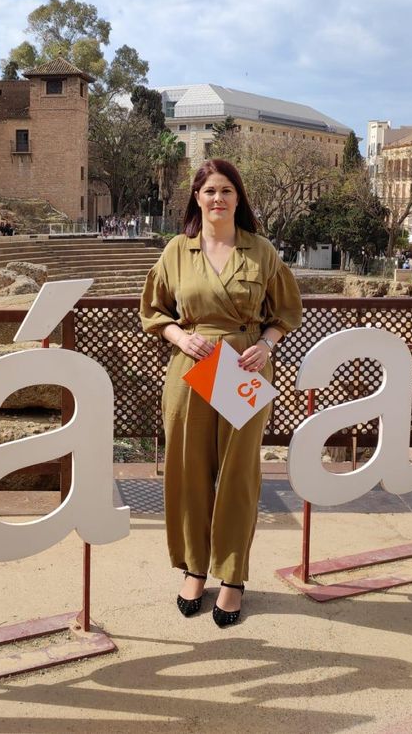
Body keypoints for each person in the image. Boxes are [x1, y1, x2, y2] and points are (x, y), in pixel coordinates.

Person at [139, 159, 302, 628]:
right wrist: (179, 337)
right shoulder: (177, 250)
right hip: (193, 364)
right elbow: (153, 311)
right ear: (196, 197)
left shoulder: (261, 250)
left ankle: (232, 576)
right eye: (210, 190)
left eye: (226, 190)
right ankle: (195, 568)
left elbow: (286, 311)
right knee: (187, 472)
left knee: (238, 475)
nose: (218, 198)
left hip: (242, 364)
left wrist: (266, 345)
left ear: (238, 198)